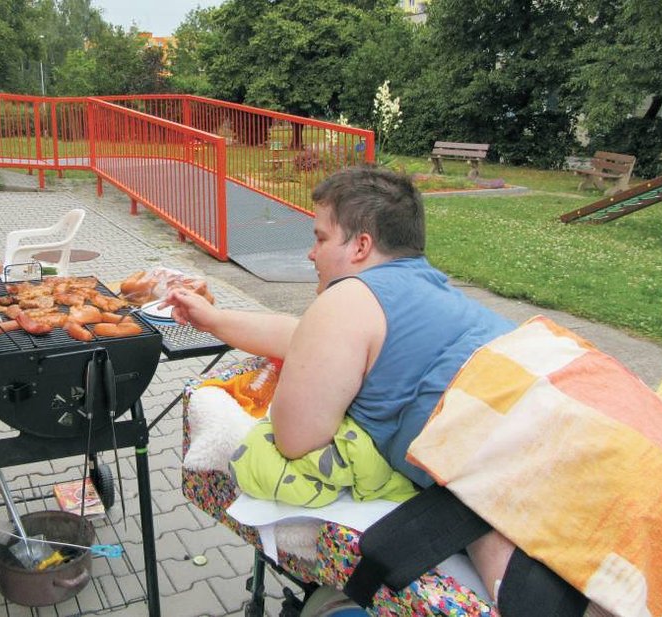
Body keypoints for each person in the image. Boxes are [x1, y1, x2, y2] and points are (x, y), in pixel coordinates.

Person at [162, 165, 518, 601]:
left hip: (513, 461)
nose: (311, 254)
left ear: (361, 245)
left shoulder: (348, 296)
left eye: (320, 238)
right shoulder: (423, 289)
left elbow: (295, 438)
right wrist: (212, 319)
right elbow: (299, 336)